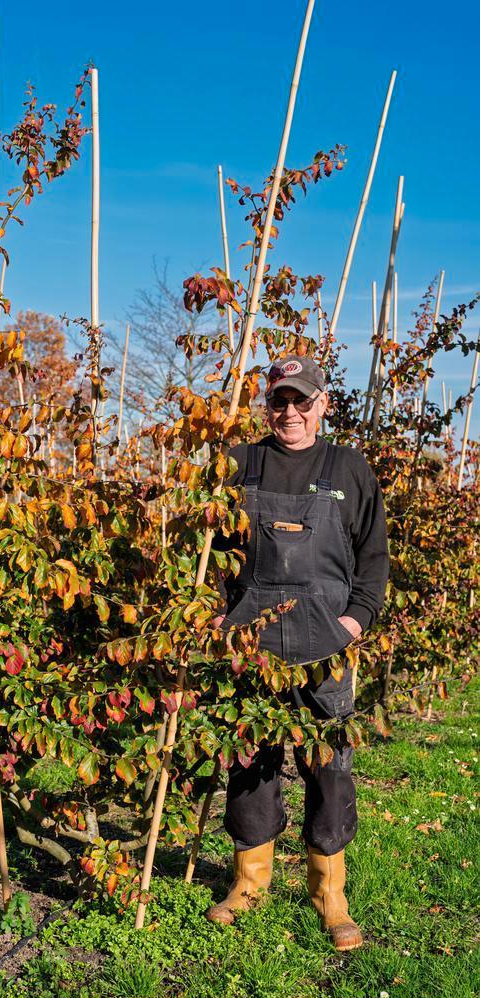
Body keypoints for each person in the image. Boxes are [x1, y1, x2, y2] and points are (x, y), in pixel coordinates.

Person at [205, 355, 389, 951]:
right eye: (279, 401)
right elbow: (208, 546)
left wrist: (354, 621)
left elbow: (374, 558)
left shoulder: (349, 468)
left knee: (329, 763)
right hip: (250, 636)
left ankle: (328, 891)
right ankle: (249, 881)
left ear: (323, 405)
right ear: (267, 405)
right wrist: (216, 612)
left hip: (326, 640)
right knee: (249, 756)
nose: (290, 412)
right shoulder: (239, 464)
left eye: (302, 401)